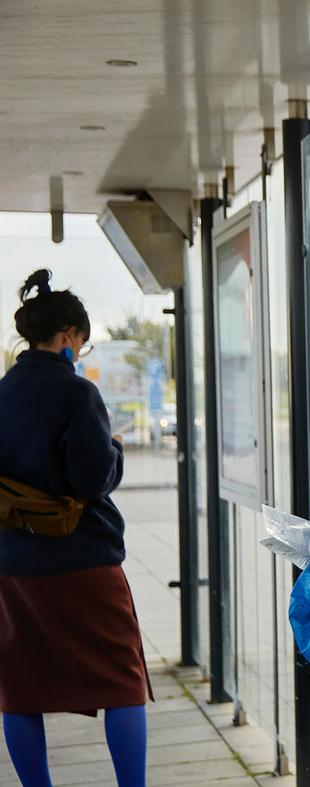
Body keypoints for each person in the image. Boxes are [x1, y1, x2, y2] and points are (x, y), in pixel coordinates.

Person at [0, 269, 150, 787]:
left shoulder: (2, 393)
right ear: (68, 336)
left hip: (15, 564)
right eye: (81, 343)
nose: (80, 353)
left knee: (19, 688)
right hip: (83, 560)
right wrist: (115, 452)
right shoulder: (76, 393)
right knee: (122, 681)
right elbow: (92, 478)